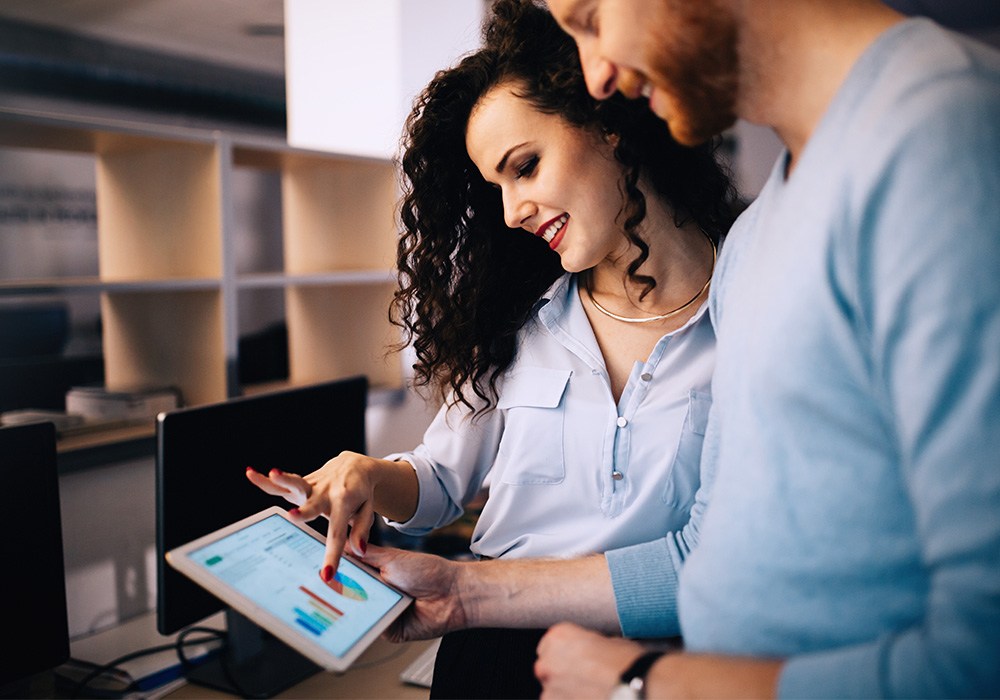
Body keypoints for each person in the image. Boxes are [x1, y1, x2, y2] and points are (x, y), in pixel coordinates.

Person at [247, 0, 736, 697]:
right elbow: (442, 482)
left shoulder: (749, 307)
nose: (511, 212)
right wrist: (366, 475)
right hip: (492, 652)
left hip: (652, 667)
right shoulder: (521, 321)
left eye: (525, 167)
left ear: (608, 125)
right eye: (496, 188)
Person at [525, 0, 1000, 697]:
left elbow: (980, 657)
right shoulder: (754, 235)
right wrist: (458, 591)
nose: (594, 76)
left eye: (590, 18)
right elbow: (704, 551)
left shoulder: (940, 136)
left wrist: (644, 684)